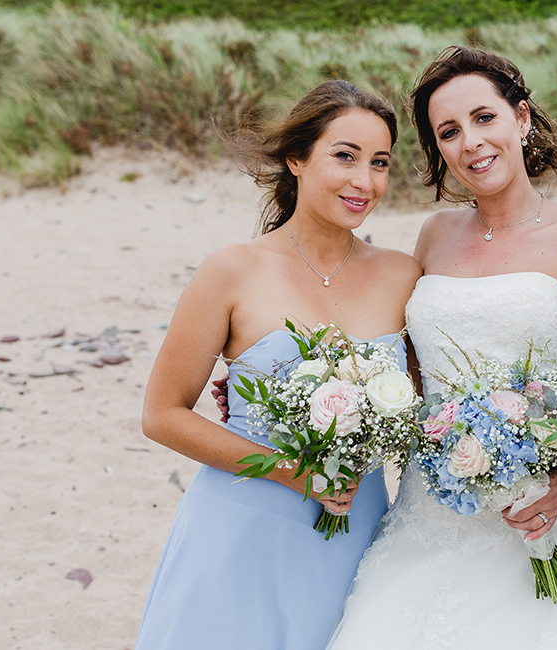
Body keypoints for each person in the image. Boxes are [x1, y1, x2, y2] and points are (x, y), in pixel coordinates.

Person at [326, 47, 557, 648]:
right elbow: (408, 367)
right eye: (448, 131)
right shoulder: (433, 235)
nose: (470, 143)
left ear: (522, 118)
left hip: (549, 511)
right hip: (432, 510)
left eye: (484, 118)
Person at [136, 80, 421, 649]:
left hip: (354, 528)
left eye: (380, 163)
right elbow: (162, 415)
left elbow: (423, 407)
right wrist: (294, 471)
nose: (365, 181)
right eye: (345, 156)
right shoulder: (232, 271)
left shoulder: (402, 276)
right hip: (243, 522)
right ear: (297, 158)